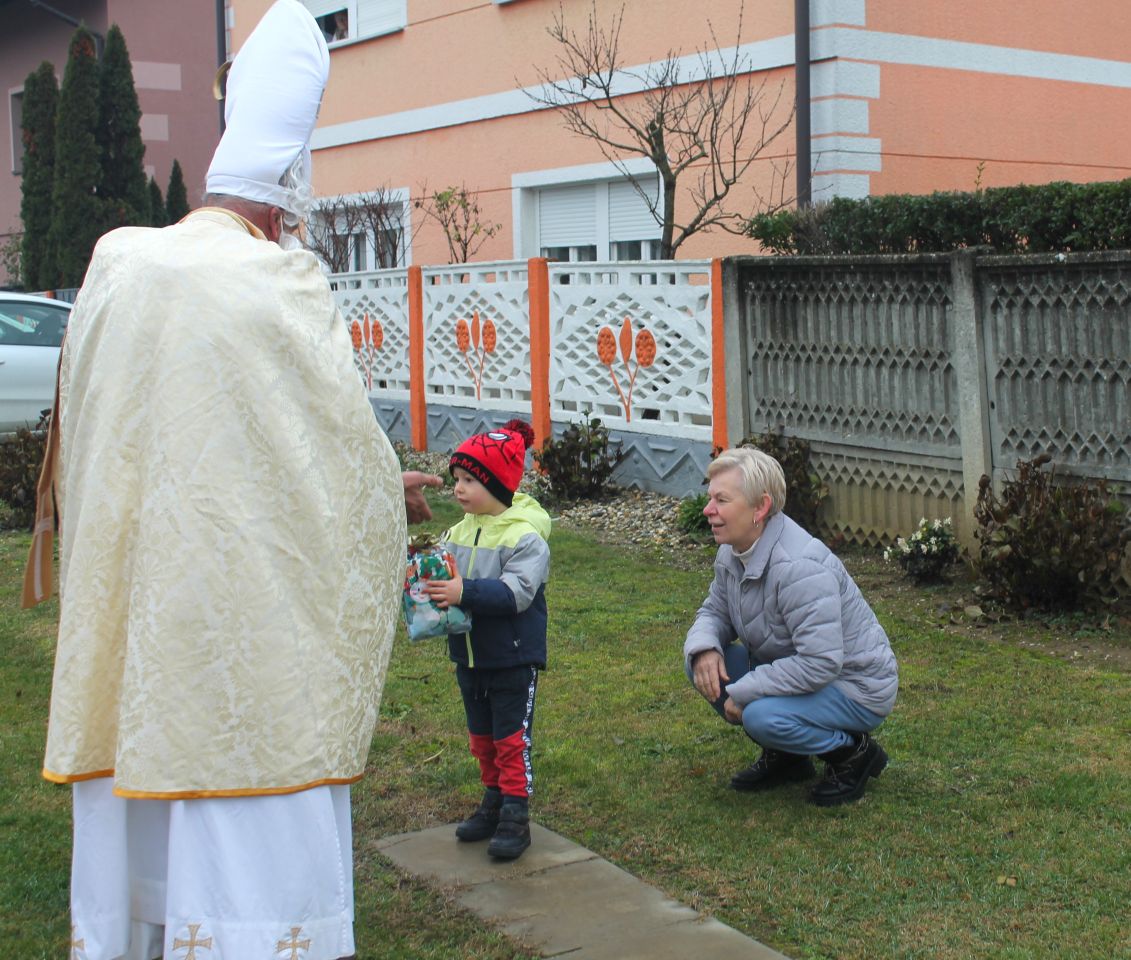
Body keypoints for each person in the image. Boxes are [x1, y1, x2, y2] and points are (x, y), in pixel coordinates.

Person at [22, 3, 439, 958]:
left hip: (138, 609)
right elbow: (329, 451)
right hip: (252, 629)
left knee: (146, 801)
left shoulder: (118, 262)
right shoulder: (280, 284)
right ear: (290, 191)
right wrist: (390, 494)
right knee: (254, 795)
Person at [684, 447, 898, 806]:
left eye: (722, 500)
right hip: (799, 670)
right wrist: (704, 647)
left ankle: (853, 754)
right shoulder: (732, 551)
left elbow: (821, 662)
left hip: (855, 686)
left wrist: (747, 688)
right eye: (710, 498)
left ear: (760, 508)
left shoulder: (800, 567)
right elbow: (714, 612)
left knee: (761, 715)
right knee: (702, 666)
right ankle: (789, 758)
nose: (708, 510)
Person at [424, 419, 551, 860]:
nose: (458, 489)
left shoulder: (525, 537)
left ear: (497, 483)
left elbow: (517, 593)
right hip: (470, 656)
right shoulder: (458, 531)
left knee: (511, 738)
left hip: (512, 659)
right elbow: (442, 575)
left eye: (469, 480)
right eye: (456, 479)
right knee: (482, 736)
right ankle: (493, 800)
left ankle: (516, 813)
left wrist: (464, 592)